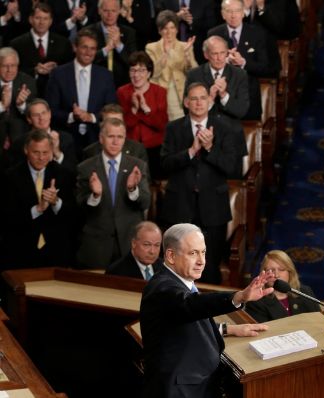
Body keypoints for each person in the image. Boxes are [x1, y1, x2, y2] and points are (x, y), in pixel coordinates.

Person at [140, 223, 271, 397]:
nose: (201, 261)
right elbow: (192, 305)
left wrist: (229, 329)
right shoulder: (163, 288)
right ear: (171, 256)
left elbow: (186, 322)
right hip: (180, 390)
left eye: (203, 252)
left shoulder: (181, 282)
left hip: (198, 384)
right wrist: (239, 297)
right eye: (193, 253)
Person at [160, 82, 245, 284]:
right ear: (186, 102)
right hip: (180, 207)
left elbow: (232, 168)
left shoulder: (226, 128)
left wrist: (209, 148)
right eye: (194, 98)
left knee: (208, 266)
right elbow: (164, 165)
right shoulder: (174, 128)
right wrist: (190, 151)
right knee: (177, 267)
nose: (198, 103)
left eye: (203, 98)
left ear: (210, 101)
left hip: (213, 210)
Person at [76, 118, 151, 268]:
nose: (116, 142)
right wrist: (95, 196)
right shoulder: (86, 167)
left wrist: (132, 189)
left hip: (129, 243)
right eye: (111, 137)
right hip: (97, 245)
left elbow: (145, 202)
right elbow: (79, 207)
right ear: (101, 139)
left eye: (120, 137)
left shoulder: (137, 166)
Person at [1, 130, 76, 269]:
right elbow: (7, 218)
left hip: (56, 253)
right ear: (26, 150)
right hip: (21, 252)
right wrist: (38, 209)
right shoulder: (10, 177)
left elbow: (74, 216)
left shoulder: (64, 174)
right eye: (36, 152)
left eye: (45, 152)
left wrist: (56, 202)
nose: (41, 157)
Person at [46, 28, 117, 156]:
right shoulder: (58, 74)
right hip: (66, 139)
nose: (88, 52)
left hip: (97, 138)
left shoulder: (106, 76)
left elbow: (111, 109)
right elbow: (51, 109)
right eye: (84, 47)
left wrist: (91, 117)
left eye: (93, 48)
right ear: (75, 47)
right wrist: (72, 116)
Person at [207, 0, 273, 120]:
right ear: (223, 14)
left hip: (249, 98)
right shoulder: (213, 34)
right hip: (221, 102)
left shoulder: (257, 33)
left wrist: (243, 62)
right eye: (229, 11)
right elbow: (207, 67)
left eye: (237, 11)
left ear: (243, 13)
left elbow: (265, 67)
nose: (233, 15)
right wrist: (223, 61)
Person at [185, 35, 251, 137]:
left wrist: (224, 95)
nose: (219, 58)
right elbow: (187, 108)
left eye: (222, 53)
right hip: (203, 132)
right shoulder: (194, 75)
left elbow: (241, 111)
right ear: (206, 55)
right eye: (215, 54)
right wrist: (209, 98)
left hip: (231, 133)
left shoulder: (239, 75)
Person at [117, 52, 168, 179]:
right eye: (133, 70)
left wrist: (146, 109)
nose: (136, 75)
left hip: (155, 147)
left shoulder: (160, 92)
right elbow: (122, 126)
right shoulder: (122, 92)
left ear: (149, 73)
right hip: (130, 147)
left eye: (141, 70)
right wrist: (134, 109)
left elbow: (162, 125)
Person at [9, 2, 73, 98]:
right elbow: (13, 72)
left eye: (45, 18)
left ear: (51, 21)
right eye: (38, 18)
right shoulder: (16, 44)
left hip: (56, 95)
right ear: (31, 19)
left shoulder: (63, 43)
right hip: (27, 95)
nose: (41, 22)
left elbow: (70, 70)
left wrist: (57, 68)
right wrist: (34, 71)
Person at [146, 10, 198, 121]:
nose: (169, 32)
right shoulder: (151, 48)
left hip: (180, 97)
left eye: (172, 28)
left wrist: (187, 56)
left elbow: (194, 73)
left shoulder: (185, 46)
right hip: (159, 96)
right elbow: (152, 73)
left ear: (177, 30)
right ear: (160, 30)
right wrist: (165, 54)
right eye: (165, 28)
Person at [244, 250, 320, 322]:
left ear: (290, 272)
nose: (277, 275)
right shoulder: (255, 301)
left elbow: (318, 321)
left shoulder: (305, 292)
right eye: (271, 270)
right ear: (263, 273)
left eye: (281, 269)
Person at [87, 0, 138, 87]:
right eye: (106, 10)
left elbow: (134, 63)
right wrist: (107, 49)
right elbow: (85, 58)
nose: (109, 15)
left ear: (119, 11)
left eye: (113, 11)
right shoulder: (88, 32)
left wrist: (118, 45)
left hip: (122, 85)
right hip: (95, 84)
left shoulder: (129, 33)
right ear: (99, 11)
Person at [82, 104, 150, 165]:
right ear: (101, 125)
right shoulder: (90, 152)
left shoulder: (137, 150)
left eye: (118, 122)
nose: (114, 126)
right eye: (110, 122)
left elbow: (145, 177)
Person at [0, 47, 37, 132]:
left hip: (20, 131)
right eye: (5, 66)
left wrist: (21, 105)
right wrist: (2, 106)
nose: (9, 70)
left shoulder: (28, 81)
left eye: (13, 65)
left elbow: (34, 112)